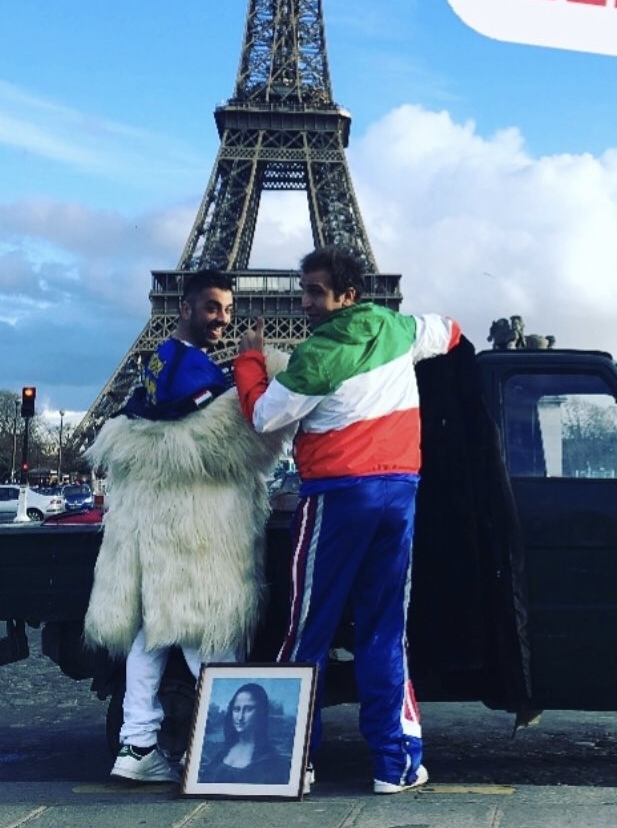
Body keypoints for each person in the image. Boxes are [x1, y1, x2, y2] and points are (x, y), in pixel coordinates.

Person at [233, 245, 461, 796]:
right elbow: (451, 332)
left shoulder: (317, 354)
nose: (305, 302)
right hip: (399, 494)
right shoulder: (399, 328)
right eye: (304, 291)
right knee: (385, 632)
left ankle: (293, 761)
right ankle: (394, 763)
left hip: (338, 496)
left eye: (315, 292)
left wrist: (252, 360)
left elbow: (263, 416)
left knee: (307, 630)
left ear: (346, 295)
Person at [84, 269, 292, 784]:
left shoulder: (160, 365)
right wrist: (258, 367)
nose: (223, 319)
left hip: (155, 528)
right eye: (212, 308)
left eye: (228, 309)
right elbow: (237, 432)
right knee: (209, 636)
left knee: (151, 635)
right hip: (195, 531)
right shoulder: (187, 365)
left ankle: (137, 745)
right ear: (183, 308)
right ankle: (226, 757)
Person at [200, 683, 291, 785]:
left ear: (260, 712)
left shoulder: (271, 761)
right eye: (236, 709)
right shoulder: (222, 752)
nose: (240, 717)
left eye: (248, 709)